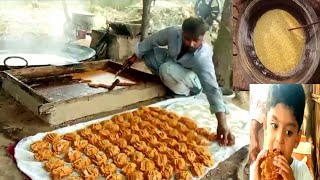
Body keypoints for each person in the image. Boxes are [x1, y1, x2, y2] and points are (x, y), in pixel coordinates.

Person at [122, 17, 234, 146]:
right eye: (187, 39)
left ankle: (183, 92)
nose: (191, 44)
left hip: (192, 82)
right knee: (149, 54)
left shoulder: (203, 57)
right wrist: (134, 57)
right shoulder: (173, 32)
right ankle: (170, 82)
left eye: (196, 40)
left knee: (166, 69)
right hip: (173, 67)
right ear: (182, 33)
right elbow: (152, 40)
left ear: (202, 37)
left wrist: (222, 123)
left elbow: (212, 88)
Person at [251, 84, 312, 180]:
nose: (279, 139)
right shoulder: (256, 169)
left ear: (297, 139)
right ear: (265, 126)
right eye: (274, 126)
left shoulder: (302, 172)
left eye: (288, 132)